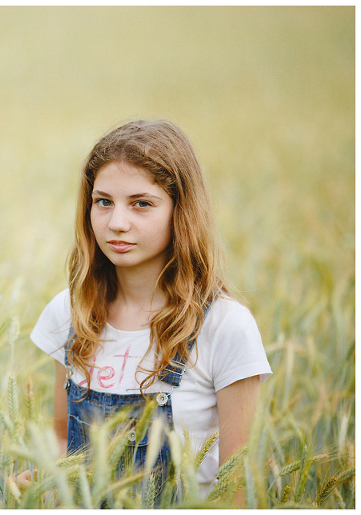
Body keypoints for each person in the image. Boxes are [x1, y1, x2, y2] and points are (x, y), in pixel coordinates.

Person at [22, 119, 271, 504]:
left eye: (142, 204)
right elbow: (61, 441)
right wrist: (37, 480)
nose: (117, 223)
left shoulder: (225, 327)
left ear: (180, 211)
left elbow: (237, 488)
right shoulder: (70, 312)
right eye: (103, 202)